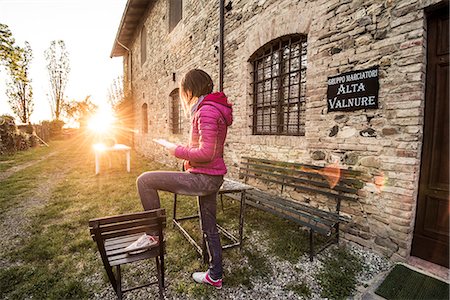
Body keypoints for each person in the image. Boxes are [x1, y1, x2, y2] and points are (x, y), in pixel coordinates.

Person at [135, 69, 233, 289]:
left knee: (145, 180)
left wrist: (176, 150)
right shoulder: (212, 108)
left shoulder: (206, 110)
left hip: (204, 179)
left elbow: (206, 153)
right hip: (211, 177)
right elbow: (206, 148)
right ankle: (215, 275)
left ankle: (153, 235)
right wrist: (184, 151)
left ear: (190, 90)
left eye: (183, 91)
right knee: (209, 226)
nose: (183, 96)